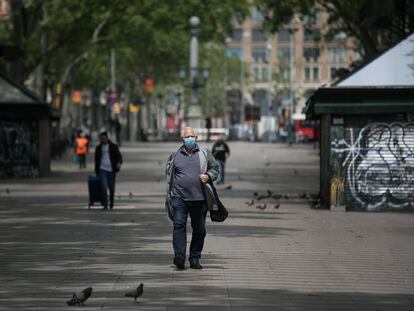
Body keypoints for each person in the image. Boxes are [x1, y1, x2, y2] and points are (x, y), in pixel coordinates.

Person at [165, 127, 219, 270]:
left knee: (200, 230)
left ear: (196, 138)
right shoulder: (174, 155)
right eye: (186, 137)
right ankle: (180, 257)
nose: (189, 139)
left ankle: (194, 258)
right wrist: (169, 195)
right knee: (179, 225)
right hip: (179, 197)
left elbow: (216, 168)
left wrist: (208, 176)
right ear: (182, 139)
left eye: (192, 136)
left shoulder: (204, 153)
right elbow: (169, 175)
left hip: (199, 199)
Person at [94, 131, 123, 210]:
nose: (103, 140)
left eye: (104, 138)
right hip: (102, 169)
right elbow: (96, 161)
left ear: (107, 138)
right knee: (103, 187)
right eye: (101, 139)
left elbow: (119, 156)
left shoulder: (113, 146)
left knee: (111, 188)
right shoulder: (99, 148)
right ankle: (105, 204)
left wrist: (119, 163)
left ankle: (111, 203)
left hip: (111, 170)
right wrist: (96, 171)